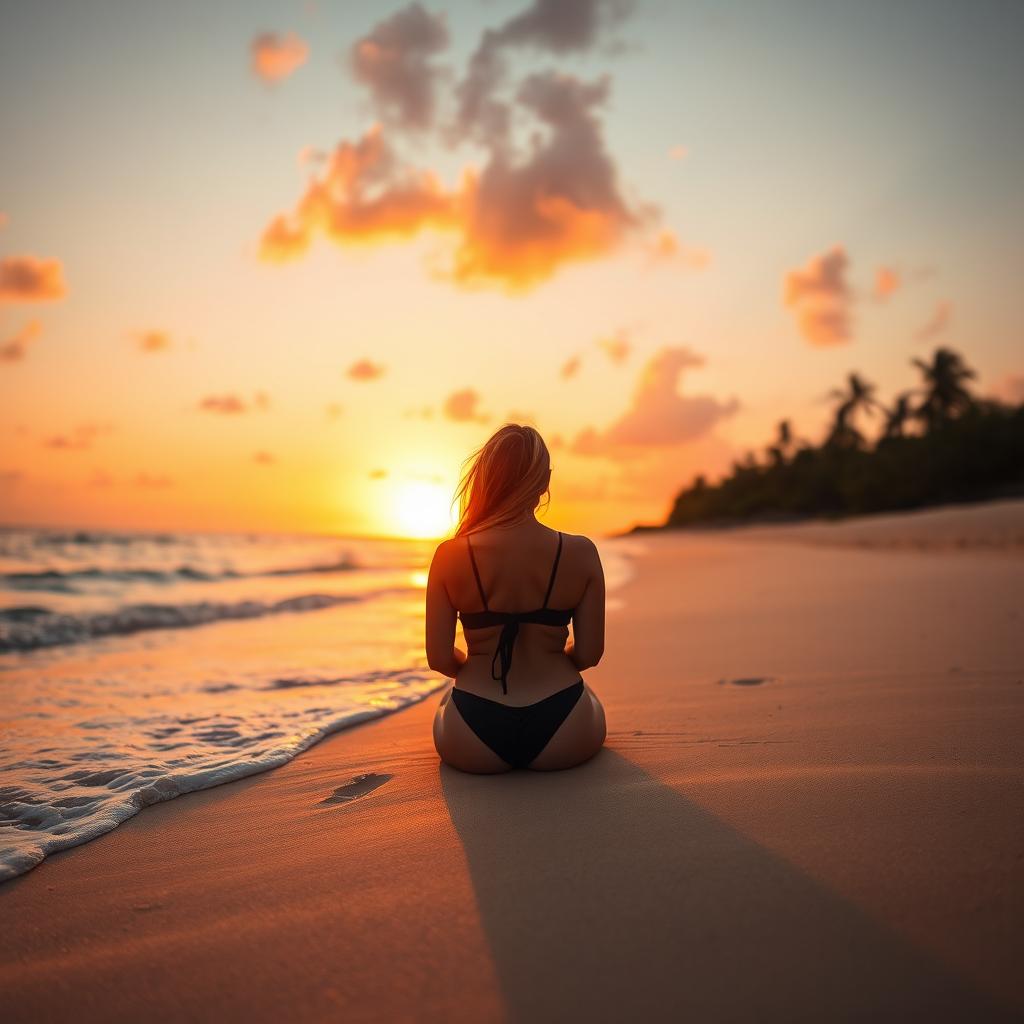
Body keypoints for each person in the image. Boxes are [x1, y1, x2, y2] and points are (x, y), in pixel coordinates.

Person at [426, 424, 607, 773]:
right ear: (545, 480)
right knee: (592, 700)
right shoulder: (580, 552)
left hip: (471, 730)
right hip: (565, 725)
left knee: (446, 703)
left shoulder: (449, 556)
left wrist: (474, 668)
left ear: (485, 480)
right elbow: (589, 654)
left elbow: (438, 658)